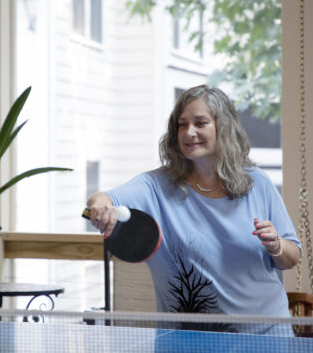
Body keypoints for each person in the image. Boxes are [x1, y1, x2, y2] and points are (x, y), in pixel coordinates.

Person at [87, 84, 301, 335]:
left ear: (223, 128)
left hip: (264, 334)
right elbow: (99, 200)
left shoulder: (257, 182)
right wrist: (100, 207)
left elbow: (292, 256)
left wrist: (276, 245)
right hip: (186, 338)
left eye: (201, 123)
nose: (189, 132)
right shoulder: (155, 186)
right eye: (182, 124)